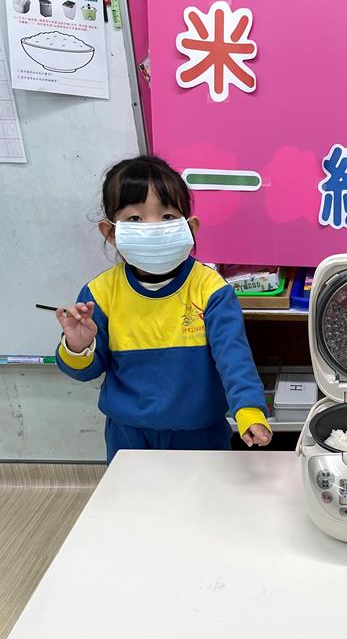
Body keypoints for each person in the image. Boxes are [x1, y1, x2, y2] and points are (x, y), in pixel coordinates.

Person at [55, 155, 271, 462]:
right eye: (135, 218)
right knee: (133, 495)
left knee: (204, 494)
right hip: (128, 435)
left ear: (190, 228)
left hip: (200, 433)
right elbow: (85, 371)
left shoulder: (211, 288)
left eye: (168, 216)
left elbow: (234, 357)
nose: (153, 226)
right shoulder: (100, 293)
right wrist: (78, 346)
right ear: (111, 232)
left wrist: (249, 410)